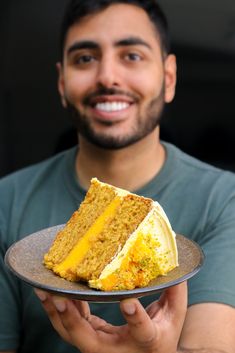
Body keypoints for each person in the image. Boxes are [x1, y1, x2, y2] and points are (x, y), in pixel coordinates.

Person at [1, 0, 235, 352]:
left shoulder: (224, 199)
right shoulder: (6, 199)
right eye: (85, 58)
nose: (108, 76)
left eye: (132, 56)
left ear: (168, 78)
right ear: (62, 82)